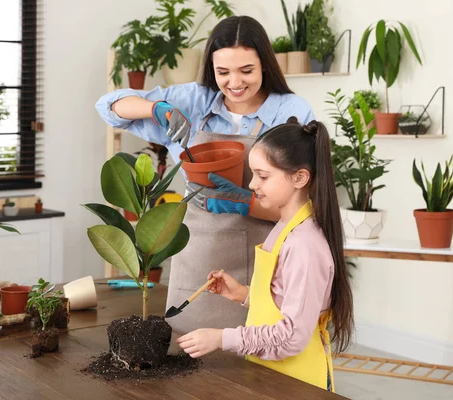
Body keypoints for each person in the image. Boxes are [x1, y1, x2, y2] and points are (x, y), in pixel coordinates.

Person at [95, 15, 315, 334]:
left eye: (246, 71)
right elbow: (108, 107)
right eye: (222, 72)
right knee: (192, 360)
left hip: (269, 252)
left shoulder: (291, 111)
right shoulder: (195, 101)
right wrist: (157, 109)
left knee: (260, 362)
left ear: (265, 65)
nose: (234, 83)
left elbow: (301, 206)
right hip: (200, 254)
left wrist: (242, 204)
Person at [176, 119, 354, 392]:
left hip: (299, 382)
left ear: (300, 177)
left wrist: (222, 338)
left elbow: (292, 337)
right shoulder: (284, 226)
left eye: (263, 175)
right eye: (252, 173)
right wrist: (245, 294)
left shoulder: (304, 245)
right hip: (272, 376)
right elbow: (286, 300)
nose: (251, 184)